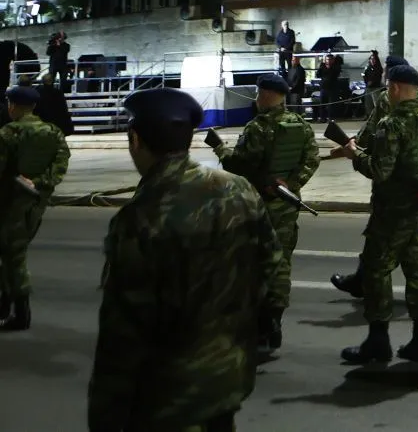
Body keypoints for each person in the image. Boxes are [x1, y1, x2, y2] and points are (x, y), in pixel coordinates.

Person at [88, 87, 280, 432]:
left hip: (169, 395)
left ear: (135, 139)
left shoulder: (140, 218)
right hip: (228, 376)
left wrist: (105, 415)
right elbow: (269, 262)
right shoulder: (237, 188)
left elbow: (124, 332)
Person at [334, 58, 418, 364]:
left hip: (393, 214)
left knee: (376, 272)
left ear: (396, 88)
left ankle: (378, 342)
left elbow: (380, 171)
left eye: (388, 88)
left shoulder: (392, 124)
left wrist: (354, 155)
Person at [212, 72, 319, 353]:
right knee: (281, 263)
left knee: (254, 265)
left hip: (257, 206)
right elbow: (312, 159)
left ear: (268, 95)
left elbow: (239, 165)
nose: (257, 99)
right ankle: (274, 322)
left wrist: (219, 148)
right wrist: (291, 185)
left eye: (259, 94)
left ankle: (258, 327)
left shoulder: (257, 128)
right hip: (287, 204)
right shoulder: (301, 125)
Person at [0, 84, 71, 331]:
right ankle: (5, 304)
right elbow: (60, 165)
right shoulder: (53, 132)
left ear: (14, 106)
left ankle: (20, 314)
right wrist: (39, 184)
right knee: (12, 254)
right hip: (35, 204)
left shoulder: (8, 133)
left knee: (13, 258)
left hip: (9, 204)